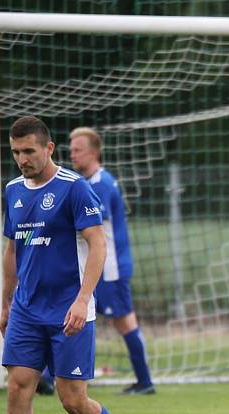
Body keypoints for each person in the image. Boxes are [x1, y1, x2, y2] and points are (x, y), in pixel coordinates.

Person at [0, 116, 139, 414]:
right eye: (16, 152)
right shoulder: (14, 190)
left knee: (73, 400)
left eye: (29, 151)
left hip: (69, 311)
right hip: (26, 310)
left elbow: (97, 244)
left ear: (48, 148)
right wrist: (5, 304)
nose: (22, 159)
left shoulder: (75, 189)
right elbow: (12, 251)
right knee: (19, 386)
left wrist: (83, 299)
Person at [69, 126, 155, 395]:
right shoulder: (92, 182)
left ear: (94, 152)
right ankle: (50, 377)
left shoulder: (101, 184)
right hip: (101, 266)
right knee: (75, 313)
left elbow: (92, 227)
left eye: (78, 150)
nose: (72, 155)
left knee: (124, 321)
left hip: (109, 267)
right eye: (70, 150)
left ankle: (144, 382)